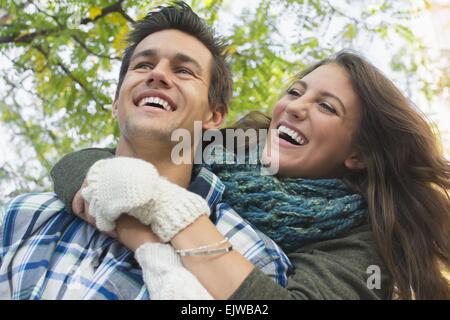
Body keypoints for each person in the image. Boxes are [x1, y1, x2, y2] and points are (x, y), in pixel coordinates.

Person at [53, 50, 450, 300]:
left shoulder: (361, 241)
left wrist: (164, 207)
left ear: (358, 155)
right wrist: (142, 237)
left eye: (327, 107)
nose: (294, 108)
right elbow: (83, 164)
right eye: (295, 92)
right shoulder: (221, 152)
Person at [0, 2, 292, 300]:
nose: (158, 75)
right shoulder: (24, 215)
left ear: (214, 117)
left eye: (183, 70)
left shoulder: (251, 254)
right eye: (143, 65)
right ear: (116, 102)